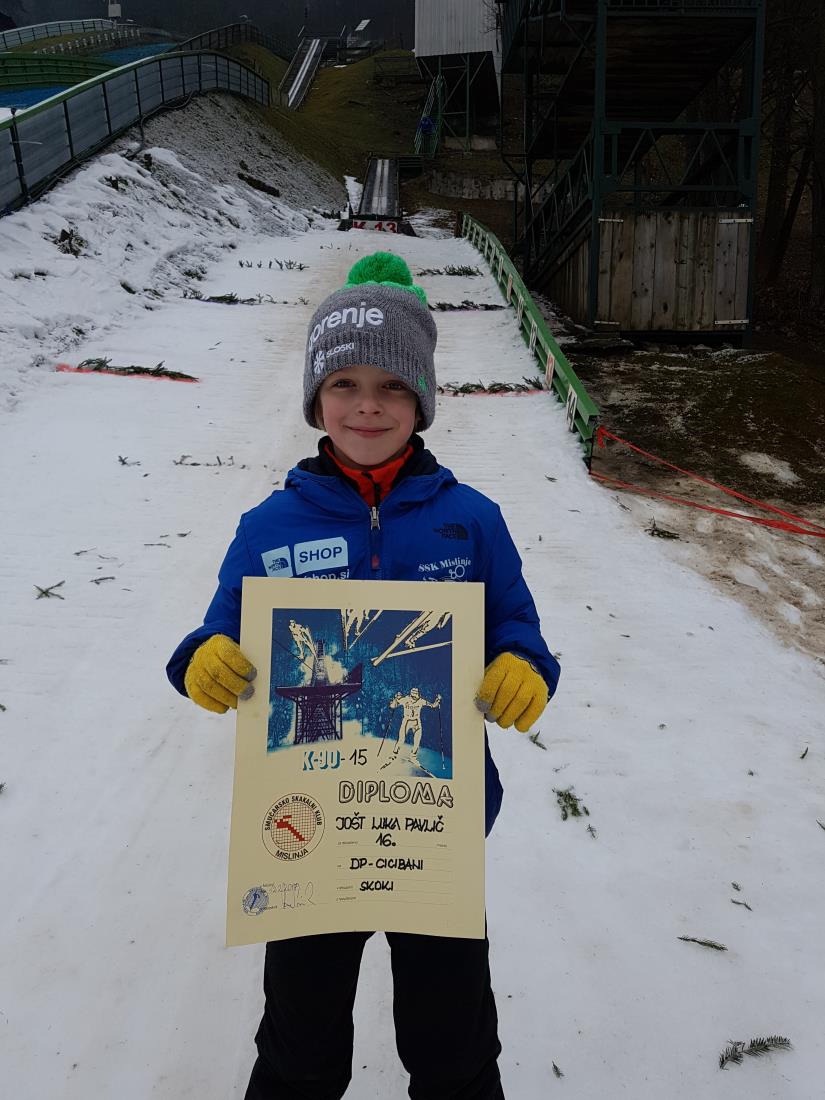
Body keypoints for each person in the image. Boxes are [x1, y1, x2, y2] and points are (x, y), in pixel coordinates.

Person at [166, 251, 561, 1100]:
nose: (368, 405)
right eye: (343, 384)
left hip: (432, 826)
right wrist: (201, 658)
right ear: (316, 400)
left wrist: (522, 664)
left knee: (453, 1043)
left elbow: (515, 624)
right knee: (299, 1045)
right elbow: (220, 628)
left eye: (391, 386)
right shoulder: (270, 525)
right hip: (307, 828)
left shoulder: (470, 521)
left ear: (422, 400)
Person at [389, 686, 442, 759]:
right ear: (411, 695)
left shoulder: (421, 701)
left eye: (416, 696)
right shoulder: (405, 699)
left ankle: (413, 755)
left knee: (417, 740)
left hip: (416, 721)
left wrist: (438, 700)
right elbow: (392, 706)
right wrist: (395, 699)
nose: (415, 698)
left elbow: (433, 706)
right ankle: (394, 754)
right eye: (413, 696)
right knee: (401, 739)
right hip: (407, 721)